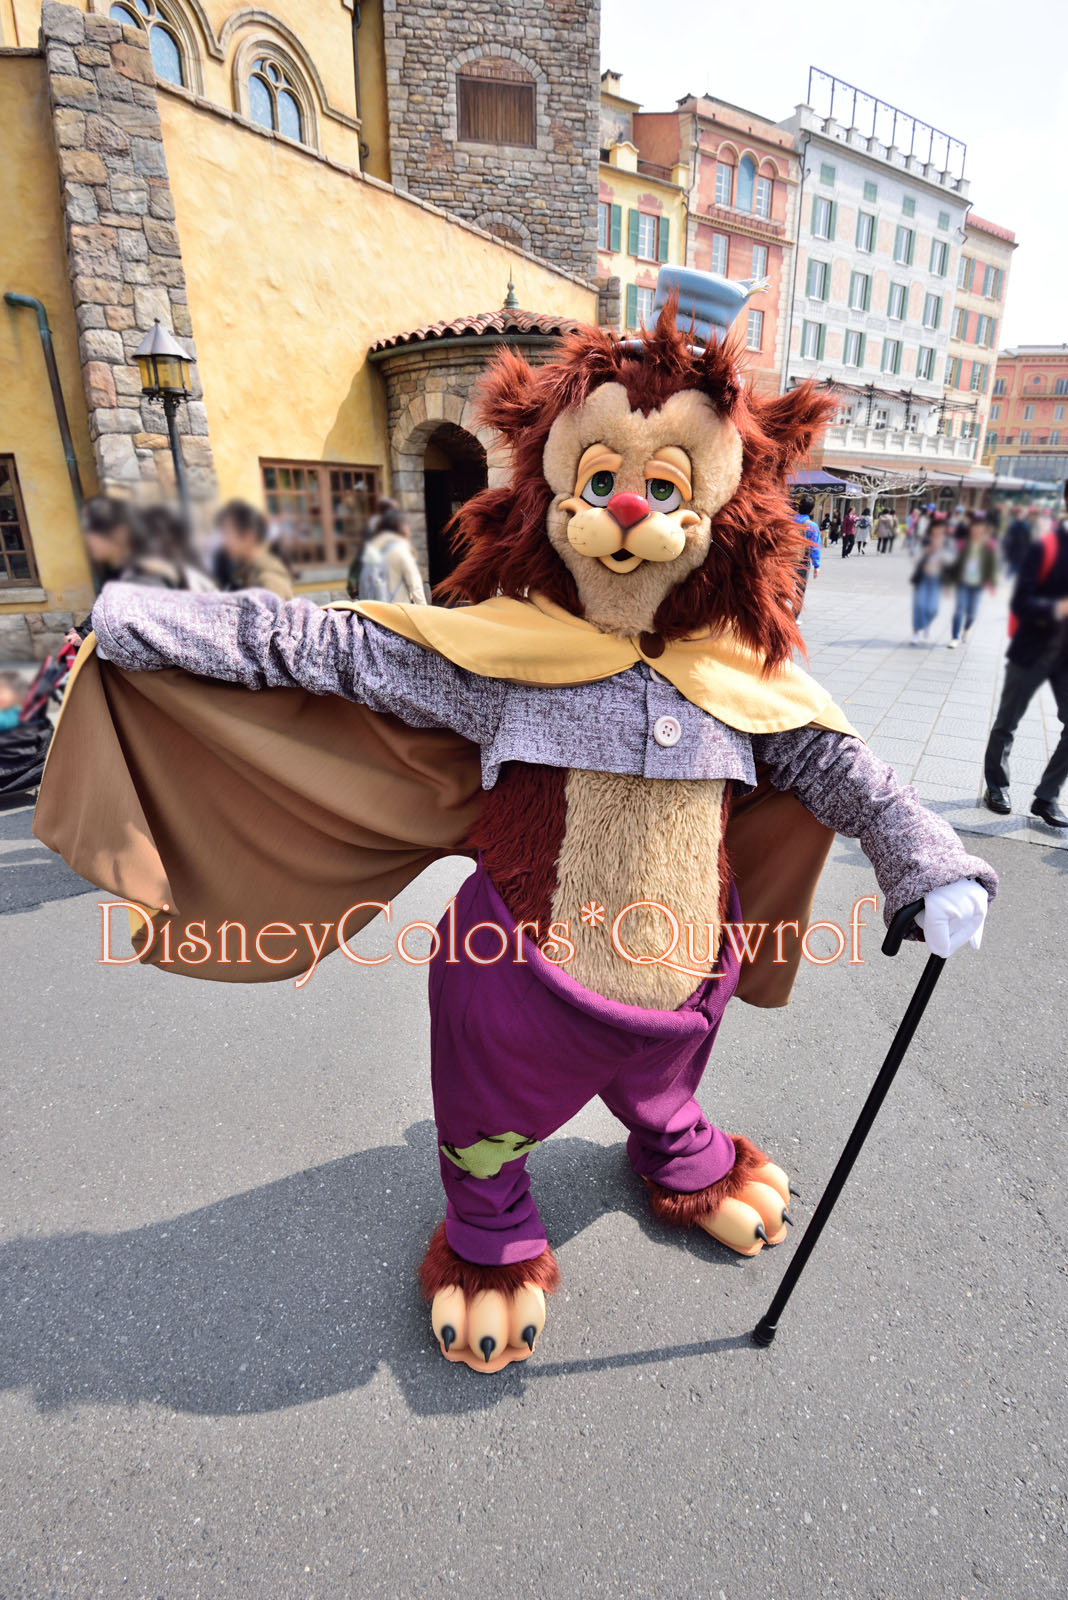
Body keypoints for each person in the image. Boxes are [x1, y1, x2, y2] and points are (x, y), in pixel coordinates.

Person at [983, 494, 1068, 828]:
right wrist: (1056, 609)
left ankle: (1046, 797)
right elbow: (1021, 602)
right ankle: (996, 787)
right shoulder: (1045, 547)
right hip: (1033, 650)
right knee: (1008, 722)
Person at [352, 497, 427, 604]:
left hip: (372, 611)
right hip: (396, 611)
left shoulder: (371, 549)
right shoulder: (400, 550)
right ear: (400, 527)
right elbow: (415, 585)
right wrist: (423, 611)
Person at [216, 500, 292, 599]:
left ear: (249, 536)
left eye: (227, 534)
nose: (223, 542)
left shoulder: (268, 580)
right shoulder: (247, 573)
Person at [944, 510, 998, 648]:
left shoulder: (989, 545)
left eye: (980, 527)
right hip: (962, 582)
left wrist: (993, 584)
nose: (977, 530)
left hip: (978, 585)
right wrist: (948, 583)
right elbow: (954, 565)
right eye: (975, 527)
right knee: (959, 610)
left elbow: (992, 566)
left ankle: (966, 629)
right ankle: (954, 637)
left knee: (972, 614)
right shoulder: (962, 544)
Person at [910, 511, 948, 644]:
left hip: (937, 579)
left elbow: (952, 560)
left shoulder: (947, 543)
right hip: (923, 578)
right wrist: (926, 552)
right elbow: (914, 555)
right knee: (919, 605)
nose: (938, 530)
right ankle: (916, 632)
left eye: (941, 528)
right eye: (936, 527)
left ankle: (926, 623)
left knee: (933, 608)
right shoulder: (924, 540)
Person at [793, 493, 820, 612]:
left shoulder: (788, 520)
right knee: (799, 591)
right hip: (802, 562)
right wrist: (817, 565)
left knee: (780, 590)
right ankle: (792, 618)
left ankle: (776, 616)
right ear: (812, 509)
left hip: (784, 561)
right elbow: (815, 547)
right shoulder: (811, 526)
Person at [1003, 508, 1033, 577]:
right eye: (1019, 514)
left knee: (1018, 567)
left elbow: (1028, 538)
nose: (1021, 516)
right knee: (1012, 566)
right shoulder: (1013, 524)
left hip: (1022, 550)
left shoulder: (1026, 525)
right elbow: (1008, 537)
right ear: (1017, 515)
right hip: (1014, 549)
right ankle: (1008, 578)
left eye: (1022, 514)